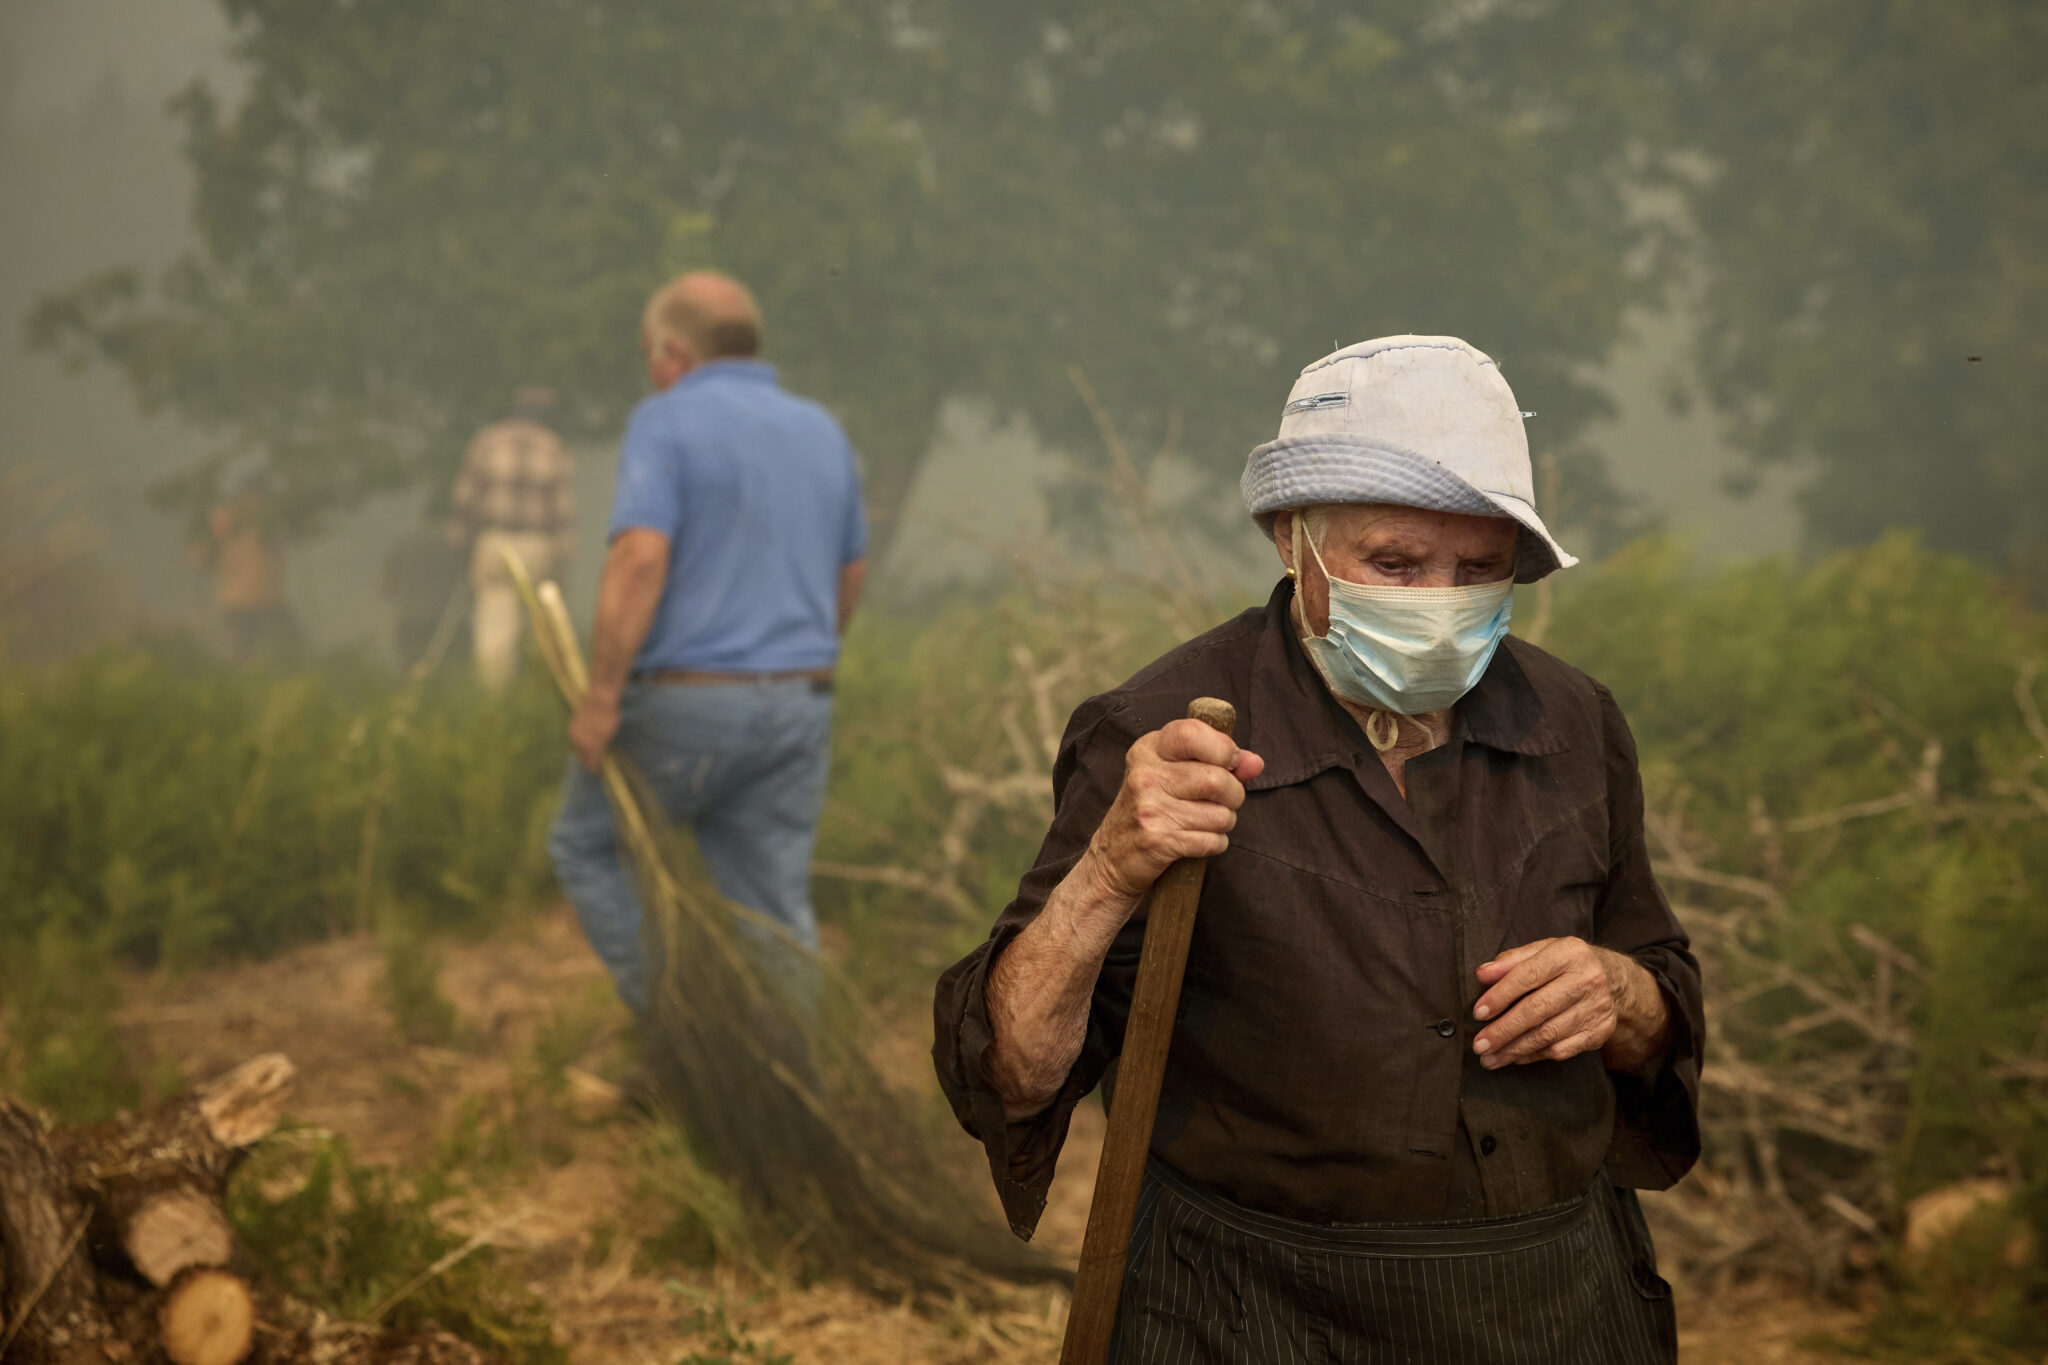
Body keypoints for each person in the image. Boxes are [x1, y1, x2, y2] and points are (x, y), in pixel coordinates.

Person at [933, 336, 1703, 1363]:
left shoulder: (1571, 723)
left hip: (1549, 1303)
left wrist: (1621, 997)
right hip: (1245, 1309)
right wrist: (1111, 867)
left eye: (1476, 570)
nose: (1436, 603)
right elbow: (1015, 1073)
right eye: (1394, 563)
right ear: (1289, 539)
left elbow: (1661, 996)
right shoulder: (1164, 735)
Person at [549, 271, 868, 1019]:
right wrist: (802, 661)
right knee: (771, 908)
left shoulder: (666, 421)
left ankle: (684, 1030)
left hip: (688, 704)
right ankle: (792, 1084)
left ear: (671, 351)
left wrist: (600, 699)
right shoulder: (822, 428)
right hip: (800, 700)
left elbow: (639, 558)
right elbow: (849, 572)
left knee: (587, 846)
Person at [448, 386, 575, 690]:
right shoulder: (554, 448)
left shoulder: (487, 442)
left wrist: (461, 542)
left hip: (494, 540)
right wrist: (564, 556)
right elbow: (563, 513)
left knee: (495, 622)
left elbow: (465, 500)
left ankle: (496, 698)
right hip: (537, 543)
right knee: (537, 625)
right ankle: (534, 692)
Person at [194, 473, 299, 662]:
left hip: (269, 601)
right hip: (241, 603)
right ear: (245, 494)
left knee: (291, 649)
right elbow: (205, 552)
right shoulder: (229, 518)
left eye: (261, 496)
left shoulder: (269, 522)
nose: (258, 500)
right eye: (253, 495)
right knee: (245, 655)